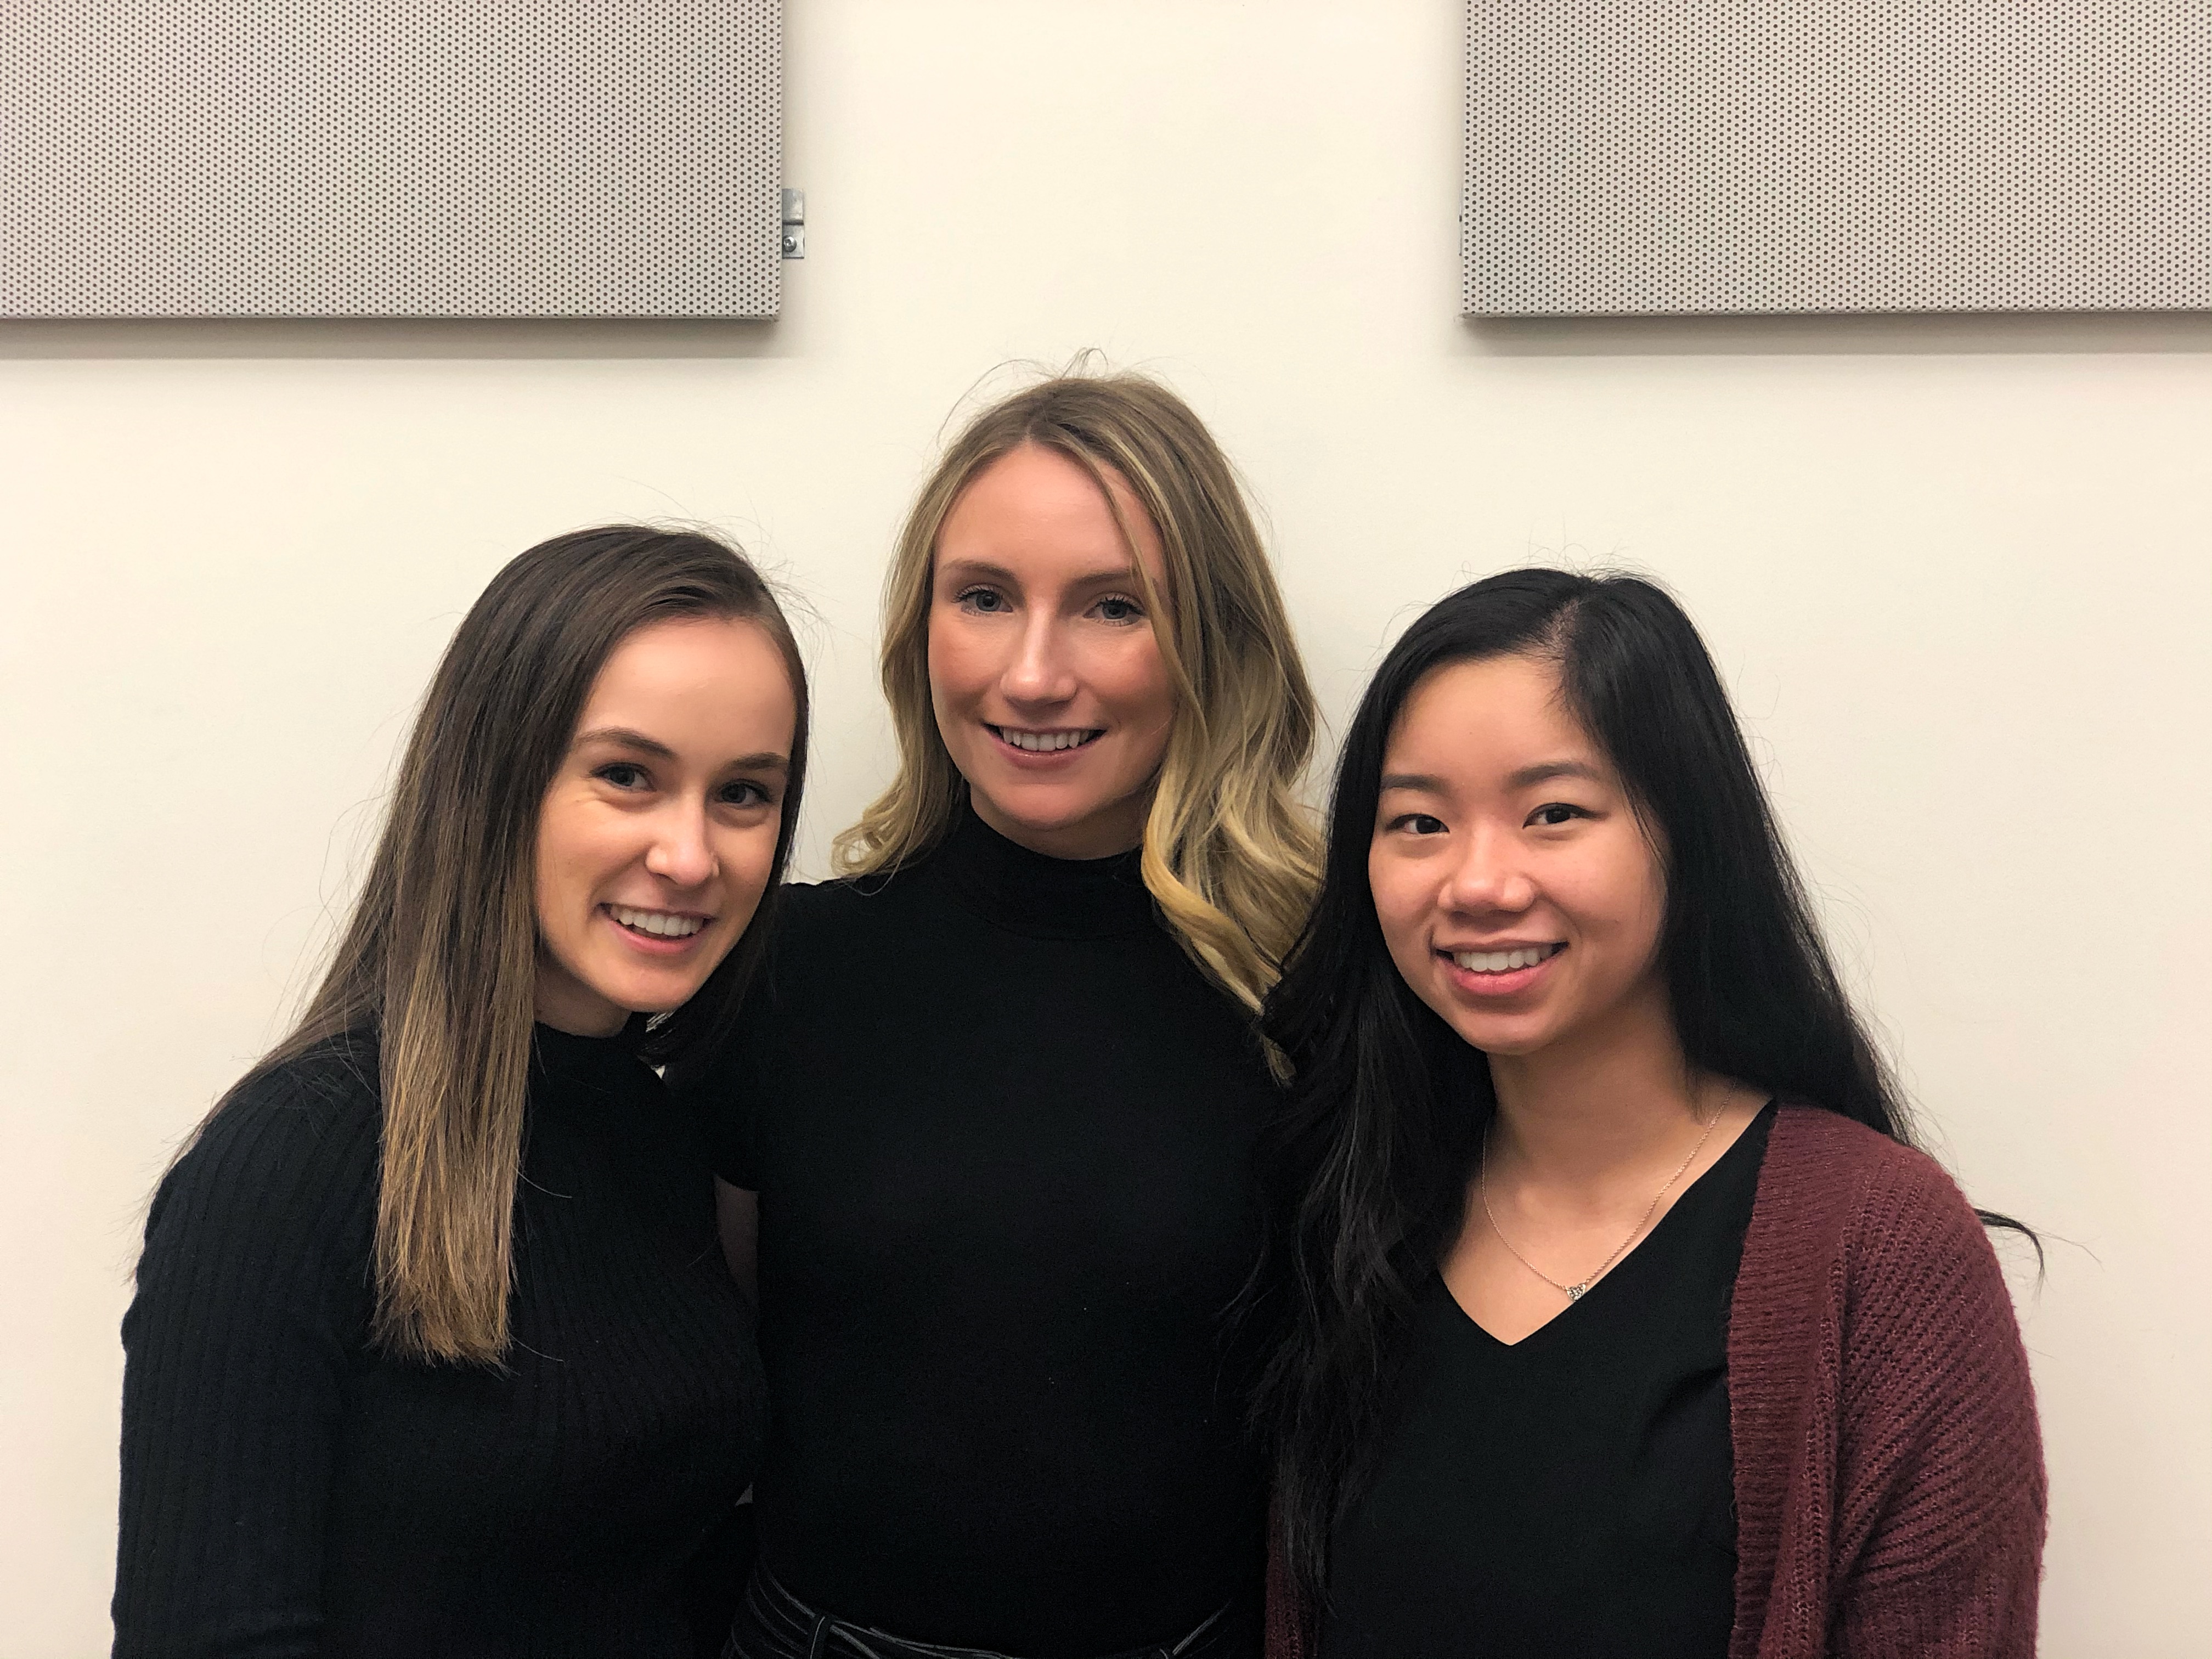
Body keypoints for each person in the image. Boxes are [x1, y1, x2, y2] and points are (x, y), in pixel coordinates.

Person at [1254, 569, 2045, 1659]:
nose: (1479, 882)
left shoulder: (1883, 1248)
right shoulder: (1349, 1206)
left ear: (1688, 833)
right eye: (1420, 822)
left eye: (1554, 814)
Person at [679, 369, 1321, 1659]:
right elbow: (698, 1377)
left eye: (1112, 607)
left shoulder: (1307, 989)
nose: (1034, 674)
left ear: (1212, 642)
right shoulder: (786, 965)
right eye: (984, 599)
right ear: (925, 631)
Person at [113, 526, 809, 1659]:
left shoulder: (668, 1129)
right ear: (496, 781)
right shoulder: (290, 1163)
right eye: (626, 776)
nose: (692, 856)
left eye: (742, 793)